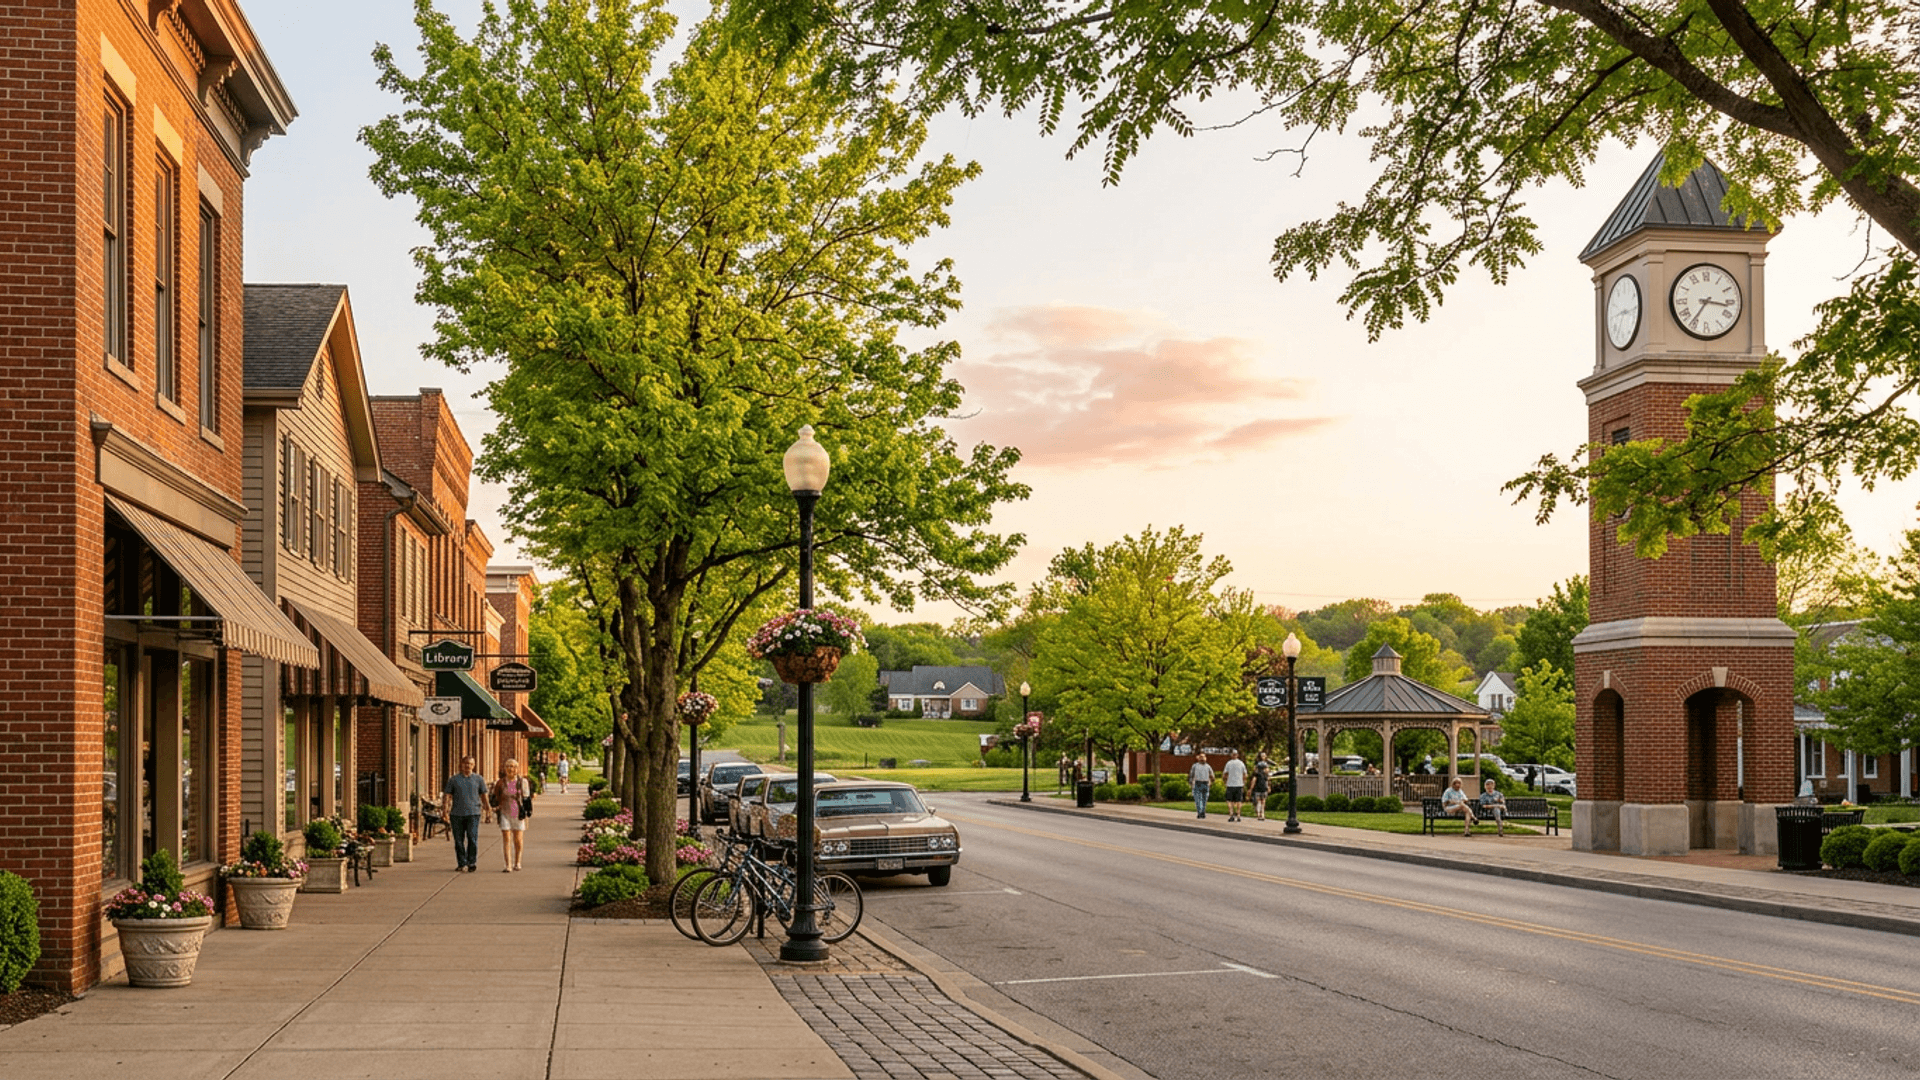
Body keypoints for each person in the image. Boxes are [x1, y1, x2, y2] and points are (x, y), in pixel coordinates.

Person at [442, 755, 489, 872]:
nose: (468, 766)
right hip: (457, 814)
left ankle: (471, 862)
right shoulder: (454, 779)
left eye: (470, 764)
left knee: (472, 838)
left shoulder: (478, 779)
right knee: (458, 840)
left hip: (473, 813)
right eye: (466, 763)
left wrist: (488, 809)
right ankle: (461, 862)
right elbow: (447, 796)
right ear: (461, 765)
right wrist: (445, 810)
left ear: (474, 765)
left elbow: (484, 795)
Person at [492, 758, 530, 871]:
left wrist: (527, 812)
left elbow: (526, 798)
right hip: (504, 812)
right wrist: (495, 807)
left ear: (517, 769)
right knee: (506, 838)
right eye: (508, 766)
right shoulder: (500, 782)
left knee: (518, 839)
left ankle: (517, 862)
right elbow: (495, 797)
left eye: (513, 766)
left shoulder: (522, 782)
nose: (510, 769)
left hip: (518, 813)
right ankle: (508, 864)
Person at [1221, 750, 1248, 822]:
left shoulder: (1228, 763)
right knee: (1239, 800)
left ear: (1231, 755)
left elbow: (1225, 774)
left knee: (1230, 801)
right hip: (1239, 784)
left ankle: (1231, 815)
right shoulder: (1241, 763)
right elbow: (1245, 774)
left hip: (1230, 784)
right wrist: (1244, 782)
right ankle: (1238, 815)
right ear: (1237, 755)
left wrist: (1224, 781)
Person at [1250, 752, 1273, 822]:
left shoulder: (1256, 773)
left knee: (1259, 801)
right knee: (1263, 802)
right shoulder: (1265, 774)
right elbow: (1268, 781)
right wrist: (1269, 787)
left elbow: (1254, 780)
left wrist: (1250, 788)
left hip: (1258, 788)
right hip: (1263, 788)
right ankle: (1262, 814)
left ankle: (1259, 814)